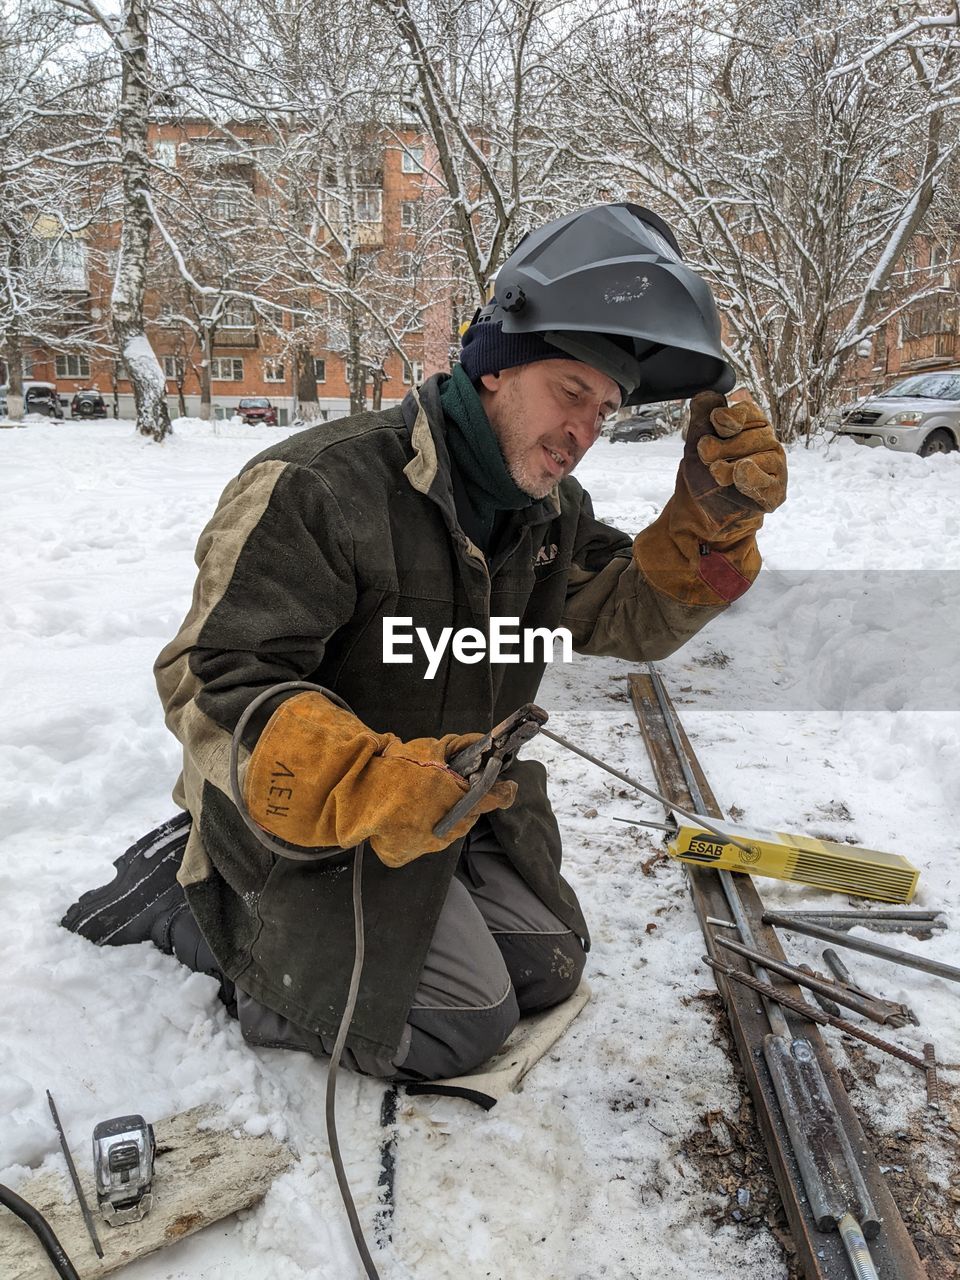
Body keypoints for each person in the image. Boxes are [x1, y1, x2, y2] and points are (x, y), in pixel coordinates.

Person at [63, 203, 787, 1081]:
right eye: (570, 392)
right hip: (310, 822)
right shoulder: (319, 486)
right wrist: (360, 777)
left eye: (603, 411)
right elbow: (212, 680)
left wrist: (709, 535)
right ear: (497, 366)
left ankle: (407, 906)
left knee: (548, 966)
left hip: (450, 804)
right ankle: (188, 900)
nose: (583, 433)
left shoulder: (549, 516)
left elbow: (627, 616)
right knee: (457, 1028)